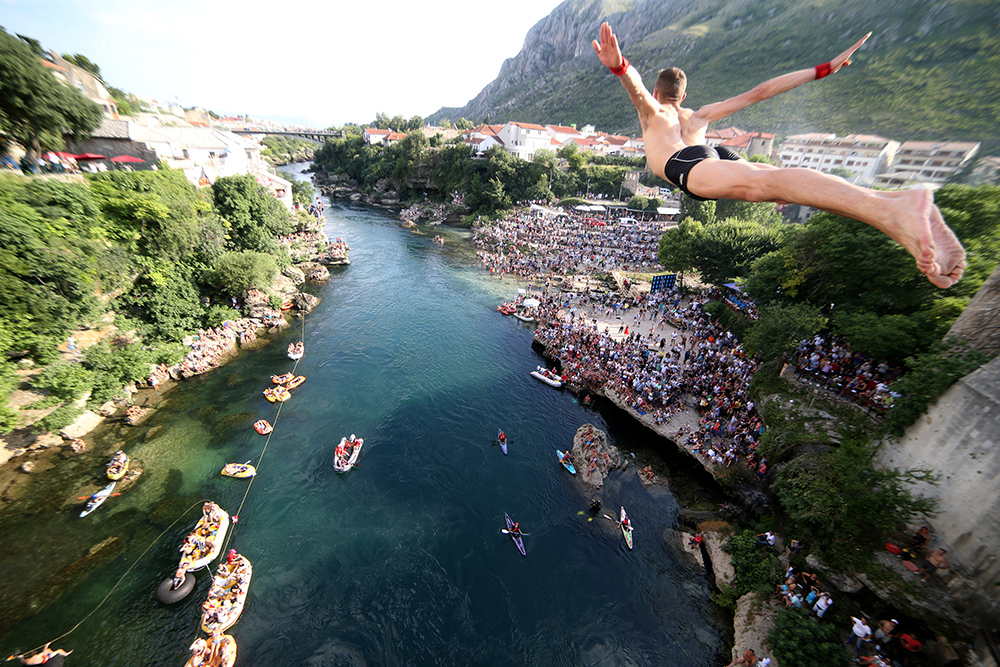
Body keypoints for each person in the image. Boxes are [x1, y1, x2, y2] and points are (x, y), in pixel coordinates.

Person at [592, 22, 966, 289]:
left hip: (685, 164)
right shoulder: (699, 115)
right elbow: (761, 92)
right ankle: (893, 206)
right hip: (712, 153)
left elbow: (635, 89)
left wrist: (619, 66)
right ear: (683, 96)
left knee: (766, 184)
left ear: (659, 92)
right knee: (777, 185)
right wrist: (821, 70)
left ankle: (895, 209)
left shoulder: (654, 113)